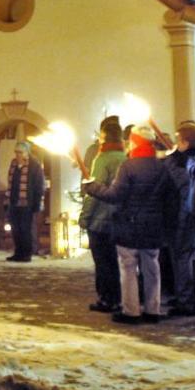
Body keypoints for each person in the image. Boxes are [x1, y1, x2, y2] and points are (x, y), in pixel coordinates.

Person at [84, 124, 179, 324]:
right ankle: (153, 310)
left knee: (128, 267)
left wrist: (92, 187)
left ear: (135, 142)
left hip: (130, 225)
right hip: (154, 226)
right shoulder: (162, 166)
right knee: (152, 267)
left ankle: (132, 311)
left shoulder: (128, 166)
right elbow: (171, 198)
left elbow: (115, 195)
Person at [79, 120, 125, 310]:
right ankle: (117, 296)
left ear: (104, 137)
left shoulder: (103, 159)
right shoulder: (125, 157)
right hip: (119, 218)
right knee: (114, 261)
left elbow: (94, 190)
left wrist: (85, 217)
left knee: (103, 262)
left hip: (100, 220)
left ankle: (107, 298)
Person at [163, 122, 195, 317]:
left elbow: (185, 185)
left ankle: (186, 301)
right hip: (188, 216)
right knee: (185, 259)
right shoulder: (193, 157)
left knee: (182, 258)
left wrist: (170, 161)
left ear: (186, 143)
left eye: (179, 139)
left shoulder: (186, 161)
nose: (176, 143)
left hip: (185, 217)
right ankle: (188, 297)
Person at [6, 141, 44, 262]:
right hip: (14, 201)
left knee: (25, 229)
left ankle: (26, 254)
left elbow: (39, 185)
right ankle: (18, 252)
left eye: (20, 152)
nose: (17, 155)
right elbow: (10, 182)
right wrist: (7, 200)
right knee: (15, 228)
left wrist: (36, 203)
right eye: (16, 152)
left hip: (27, 202)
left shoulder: (34, 165)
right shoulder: (13, 163)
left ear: (26, 152)